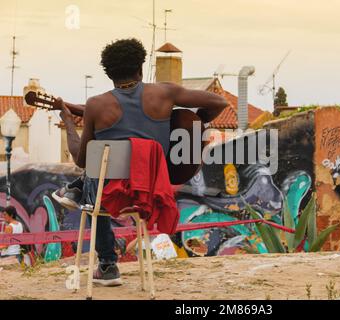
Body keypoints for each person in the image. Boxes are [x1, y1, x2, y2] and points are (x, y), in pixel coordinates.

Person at [56, 38, 227, 286]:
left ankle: (107, 265)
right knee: (97, 178)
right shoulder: (165, 92)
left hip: (109, 195)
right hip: (148, 191)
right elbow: (219, 102)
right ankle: (76, 188)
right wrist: (197, 125)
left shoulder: (95, 105)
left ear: (108, 73)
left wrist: (69, 121)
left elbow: (82, 159)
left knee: (95, 179)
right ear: (140, 66)